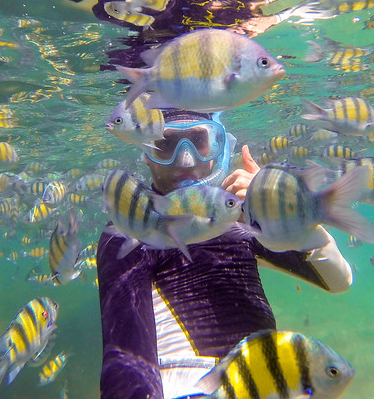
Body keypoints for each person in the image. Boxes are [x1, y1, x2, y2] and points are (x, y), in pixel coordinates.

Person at [97, 109, 354, 399]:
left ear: (218, 146)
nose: (186, 159)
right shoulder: (131, 226)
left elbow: (338, 280)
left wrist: (279, 211)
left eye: (198, 139)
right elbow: (124, 364)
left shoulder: (236, 216)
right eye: (167, 143)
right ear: (146, 153)